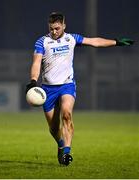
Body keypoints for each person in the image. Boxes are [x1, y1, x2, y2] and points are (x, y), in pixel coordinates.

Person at [26, 12, 134, 166]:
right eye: (51, 29)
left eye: (57, 28)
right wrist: (32, 81)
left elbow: (94, 41)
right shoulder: (42, 42)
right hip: (48, 89)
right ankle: (61, 144)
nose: (54, 32)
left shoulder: (72, 39)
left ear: (64, 25)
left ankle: (66, 152)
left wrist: (116, 42)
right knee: (54, 128)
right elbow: (36, 62)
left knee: (67, 114)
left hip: (67, 85)